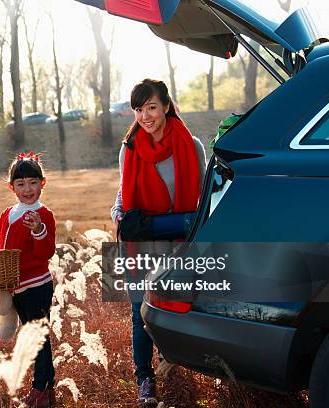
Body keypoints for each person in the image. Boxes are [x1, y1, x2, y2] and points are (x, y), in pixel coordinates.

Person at [111, 79, 206, 407]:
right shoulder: (130, 148)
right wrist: (119, 215)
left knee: (176, 308)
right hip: (142, 242)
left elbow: (203, 201)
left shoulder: (191, 145)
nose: (145, 116)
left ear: (166, 106)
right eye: (138, 109)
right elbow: (123, 193)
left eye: (151, 107)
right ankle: (144, 379)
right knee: (139, 312)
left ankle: (175, 365)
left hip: (178, 243)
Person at [0, 152, 57, 408]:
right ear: (11, 187)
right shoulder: (8, 213)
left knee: (37, 338)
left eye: (33, 182)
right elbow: (1, 243)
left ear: (43, 183)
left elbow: (46, 252)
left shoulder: (43, 215)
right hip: (17, 287)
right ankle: (47, 384)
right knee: (30, 336)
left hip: (37, 285)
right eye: (20, 184)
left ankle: (40, 388)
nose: (27, 189)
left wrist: (39, 231)